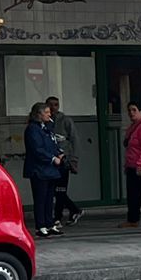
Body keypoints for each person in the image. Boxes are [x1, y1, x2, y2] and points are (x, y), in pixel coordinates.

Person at [21, 102, 64, 237]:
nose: (49, 114)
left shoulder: (46, 128)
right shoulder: (32, 129)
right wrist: (52, 158)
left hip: (50, 169)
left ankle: (49, 223)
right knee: (40, 198)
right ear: (39, 114)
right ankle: (41, 226)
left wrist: (59, 153)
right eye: (46, 112)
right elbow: (37, 149)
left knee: (49, 198)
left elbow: (52, 142)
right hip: (39, 169)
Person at [44, 96, 83, 225]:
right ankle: (73, 210)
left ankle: (58, 217)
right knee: (54, 190)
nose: (53, 107)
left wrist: (73, 160)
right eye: (50, 105)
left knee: (60, 190)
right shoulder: (45, 123)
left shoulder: (65, 121)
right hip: (51, 160)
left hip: (64, 160)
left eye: (56, 105)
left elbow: (74, 140)